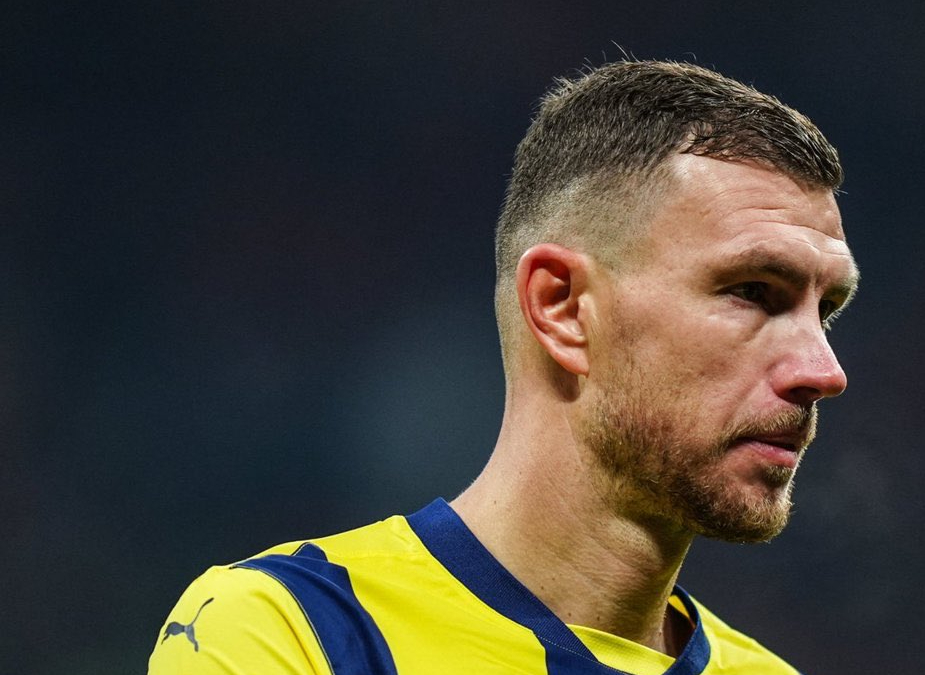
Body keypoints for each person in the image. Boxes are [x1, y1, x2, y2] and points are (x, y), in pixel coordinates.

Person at [148, 59, 858, 675]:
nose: (823, 370)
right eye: (752, 292)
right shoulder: (297, 632)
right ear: (562, 307)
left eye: (824, 310)